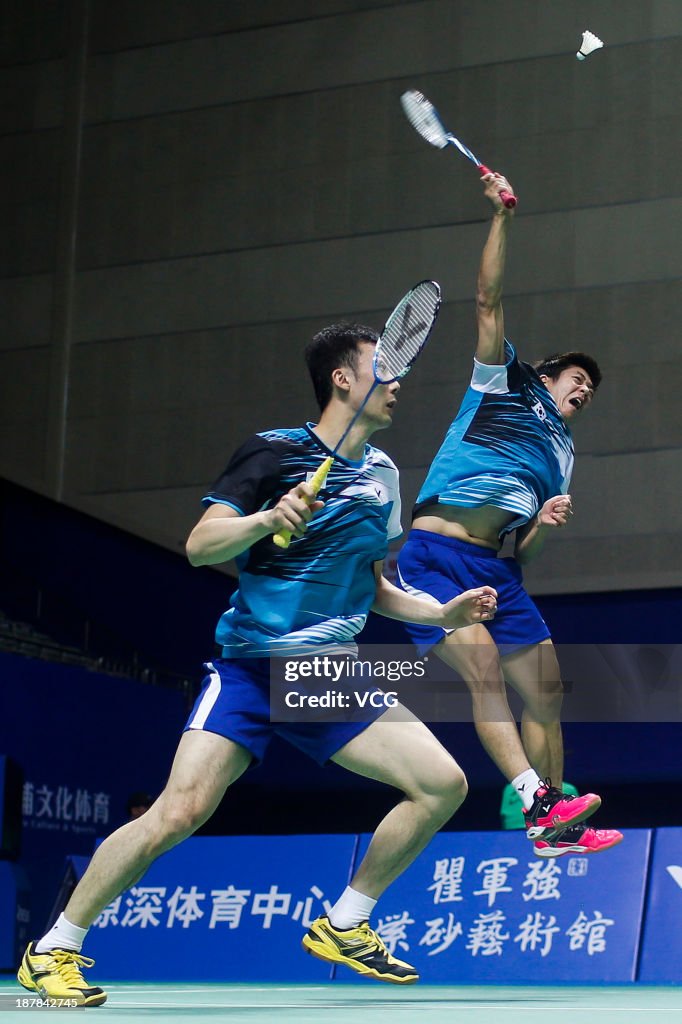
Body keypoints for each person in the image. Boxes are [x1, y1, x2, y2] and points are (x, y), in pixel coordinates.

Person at [18, 321, 497, 1005]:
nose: (398, 383)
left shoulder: (384, 475)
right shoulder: (274, 452)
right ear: (342, 378)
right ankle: (56, 947)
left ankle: (345, 923)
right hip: (251, 668)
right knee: (177, 813)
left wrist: (441, 615)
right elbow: (200, 545)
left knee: (441, 784)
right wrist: (265, 521)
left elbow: (377, 586)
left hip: (323, 675)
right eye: (382, 369)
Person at [396, 171, 623, 859]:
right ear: (547, 375)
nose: (584, 391)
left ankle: (556, 825)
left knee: (548, 693)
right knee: (485, 672)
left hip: (500, 568)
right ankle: (534, 798)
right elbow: (488, 300)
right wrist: (503, 217)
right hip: (434, 556)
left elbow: (522, 555)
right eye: (577, 379)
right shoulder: (500, 385)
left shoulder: (564, 455)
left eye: (591, 390)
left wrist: (544, 531)